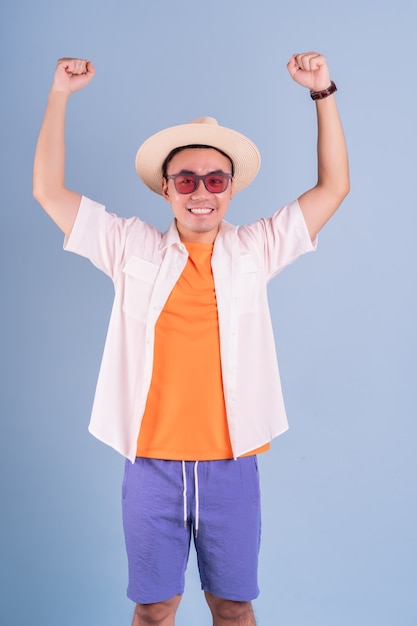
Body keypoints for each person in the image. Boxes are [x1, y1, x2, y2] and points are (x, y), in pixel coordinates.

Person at [33, 52, 349, 626]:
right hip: (150, 462)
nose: (200, 191)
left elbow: (334, 188)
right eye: (186, 179)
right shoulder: (130, 247)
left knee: (232, 607)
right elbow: (49, 192)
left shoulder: (254, 249)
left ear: (229, 189)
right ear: (165, 189)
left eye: (214, 179)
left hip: (231, 461)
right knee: (154, 610)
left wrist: (322, 93)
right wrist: (59, 96)